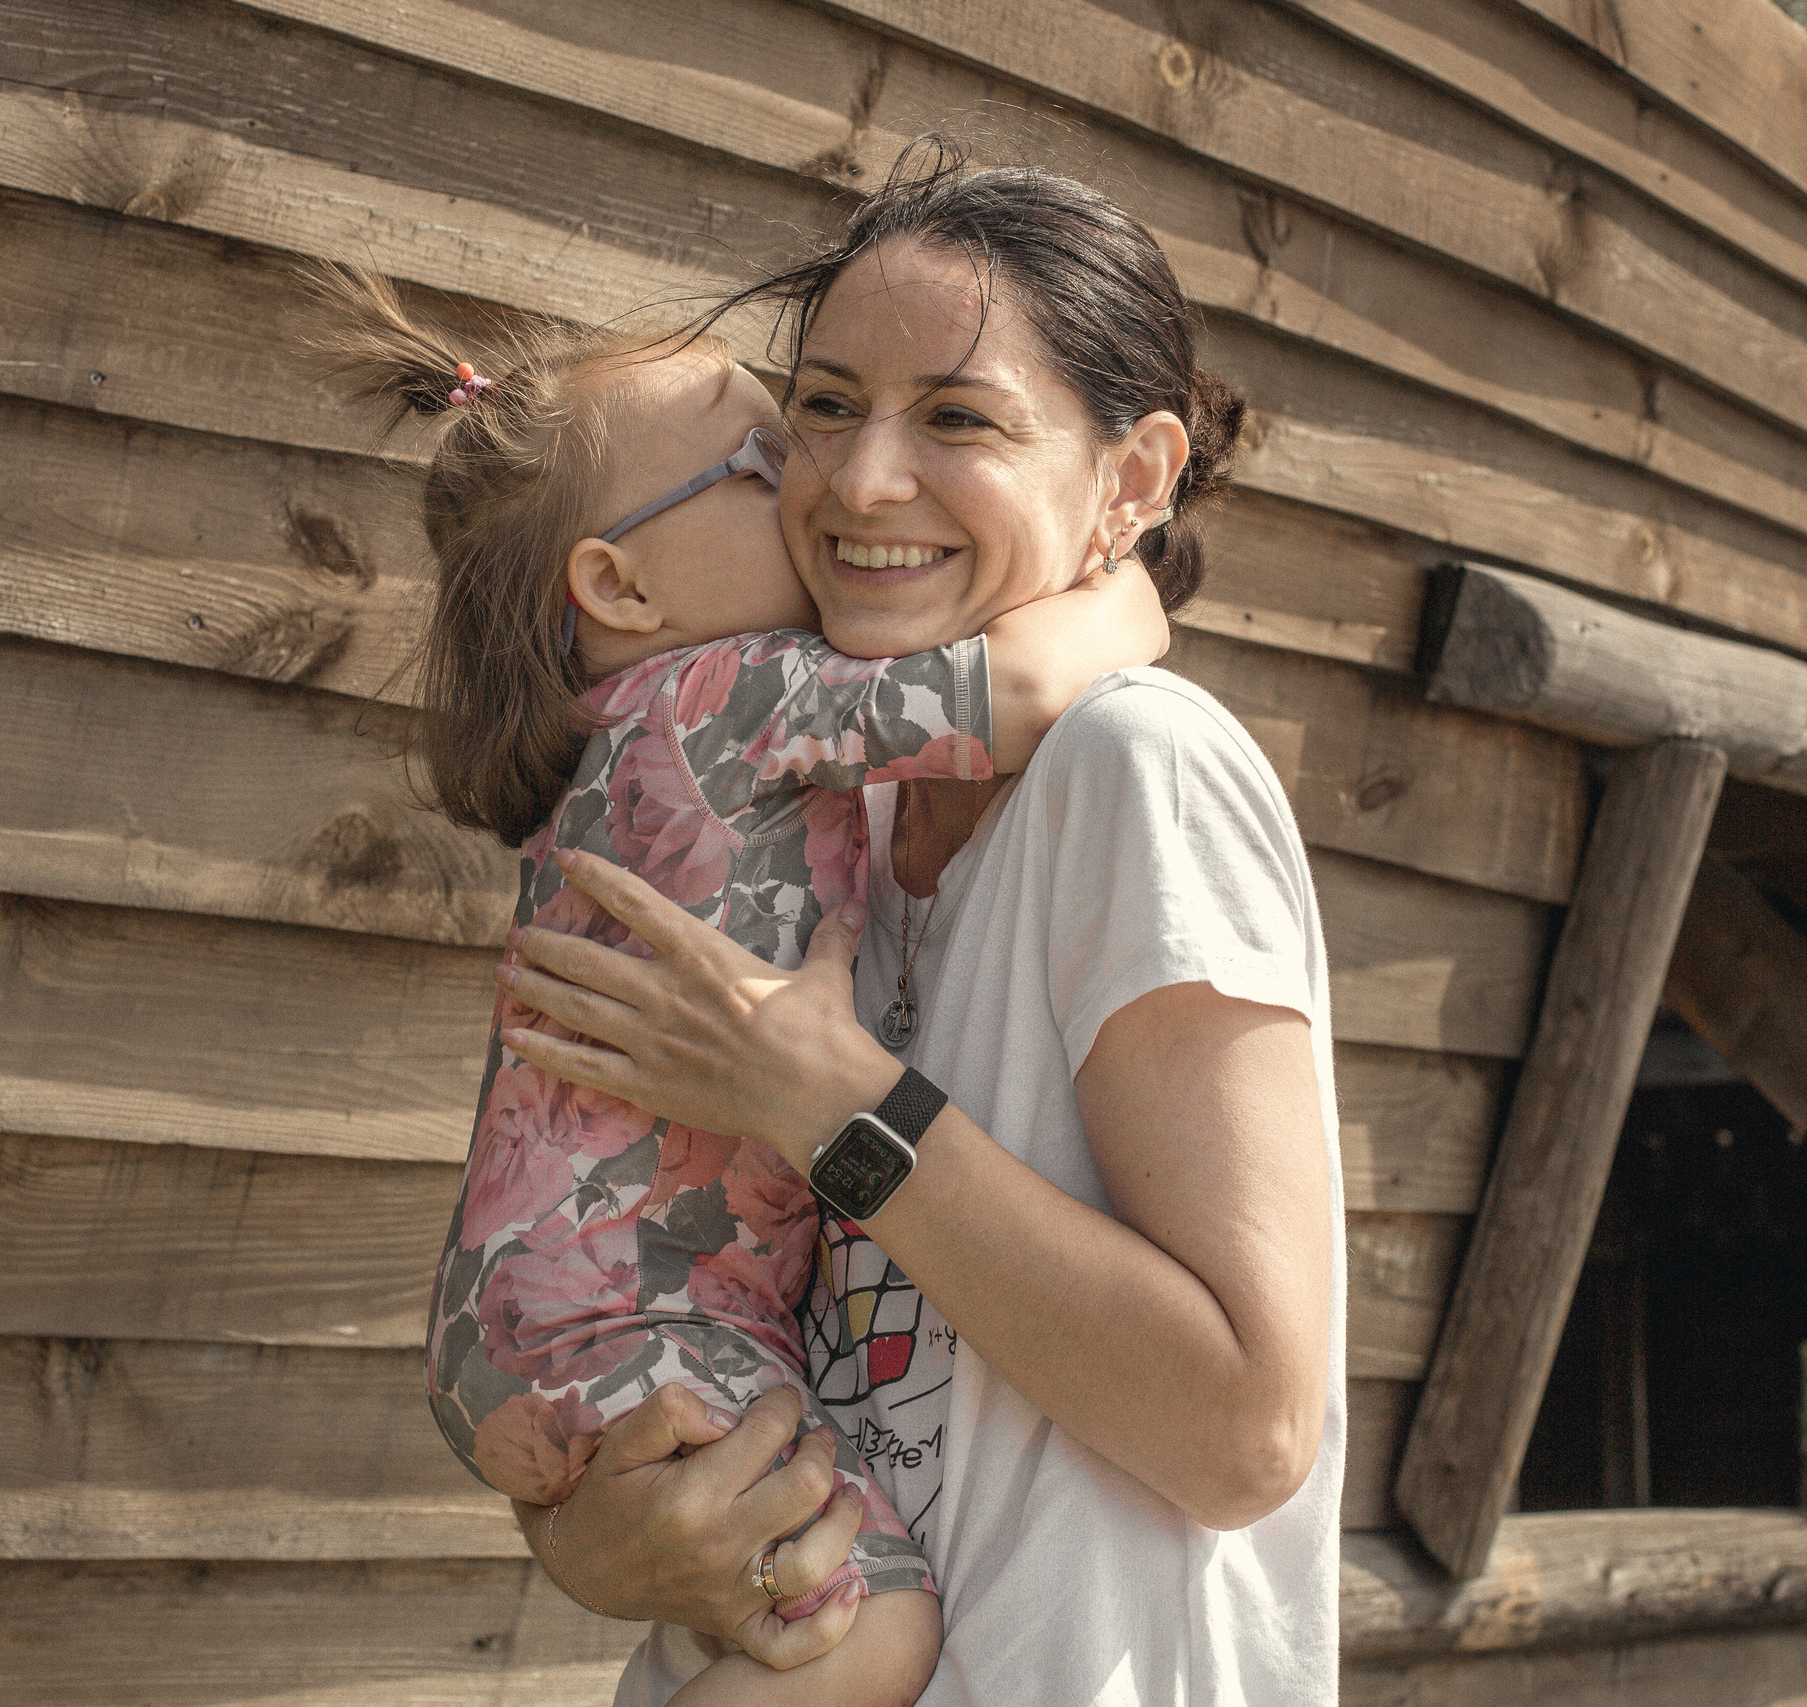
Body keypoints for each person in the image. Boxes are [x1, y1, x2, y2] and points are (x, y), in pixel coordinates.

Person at [493, 142, 1346, 1705]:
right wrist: (601, 1543)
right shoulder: (825, 820)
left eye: (958, 418)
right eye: (821, 406)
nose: (860, 479)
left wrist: (833, 1111)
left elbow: (1245, 1434)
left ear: (1134, 483)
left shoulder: (1135, 769)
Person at [307, 267, 1171, 1705]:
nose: (811, 495)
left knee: (786, 1627)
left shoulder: (634, 744)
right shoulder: (724, 697)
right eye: (765, 461)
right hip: (629, 1319)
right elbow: (1030, 686)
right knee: (871, 1635)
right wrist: (1123, 567)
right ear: (619, 583)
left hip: (555, 1313)